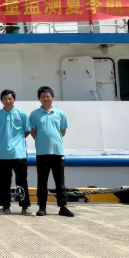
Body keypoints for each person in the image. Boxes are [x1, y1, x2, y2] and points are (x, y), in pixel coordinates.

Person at [29, 86, 74, 217]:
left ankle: (63, 207)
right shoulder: (34, 115)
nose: (46, 98)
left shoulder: (60, 113)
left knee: (60, 181)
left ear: (52, 97)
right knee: (42, 181)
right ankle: (42, 207)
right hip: (42, 152)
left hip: (57, 152)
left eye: (48, 96)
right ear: (39, 98)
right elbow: (33, 132)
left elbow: (62, 131)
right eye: (43, 96)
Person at [0, 89, 31, 215]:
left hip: (19, 154)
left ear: (14, 99)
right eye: (5, 99)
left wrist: (17, 142)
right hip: (2, 154)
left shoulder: (22, 114)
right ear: (1, 100)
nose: (7, 101)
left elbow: (27, 131)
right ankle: (5, 207)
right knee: (3, 183)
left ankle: (24, 207)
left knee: (21, 182)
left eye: (10, 99)